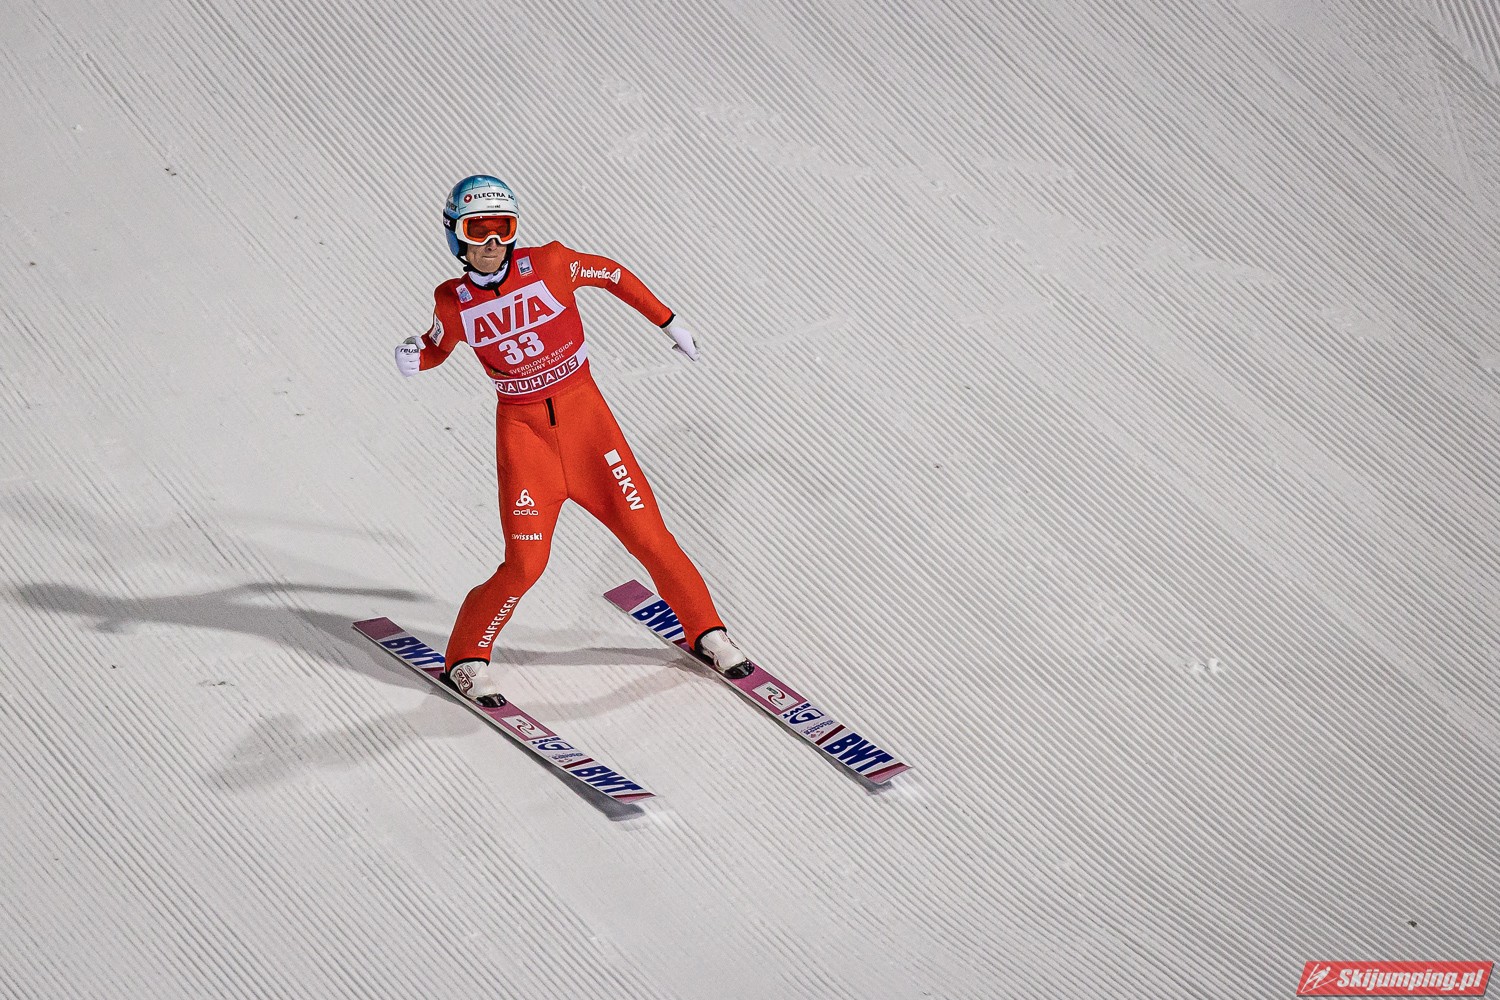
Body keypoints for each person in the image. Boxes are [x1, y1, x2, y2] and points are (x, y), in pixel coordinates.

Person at [393, 174, 751, 708]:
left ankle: (707, 631)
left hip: (589, 432)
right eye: (478, 230)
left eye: (502, 227)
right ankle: (465, 658)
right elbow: (437, 346)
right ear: (456, 236)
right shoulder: (452, 301)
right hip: (526, 441)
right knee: (525, 565)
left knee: (650, 537)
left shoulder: (551, 263)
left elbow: (612, 274)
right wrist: (412, 355)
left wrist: (668, 320)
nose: (492, 242)